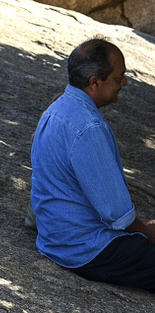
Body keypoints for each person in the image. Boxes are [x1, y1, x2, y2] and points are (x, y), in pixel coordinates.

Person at [30, 38, 155, 293]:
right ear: (95, 82)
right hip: (86, 249)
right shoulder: (88, 128)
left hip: (57, 238)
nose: (125, 83)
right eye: (119, 78)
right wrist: (145, 231)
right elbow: (115, 213)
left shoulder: (57, 109)